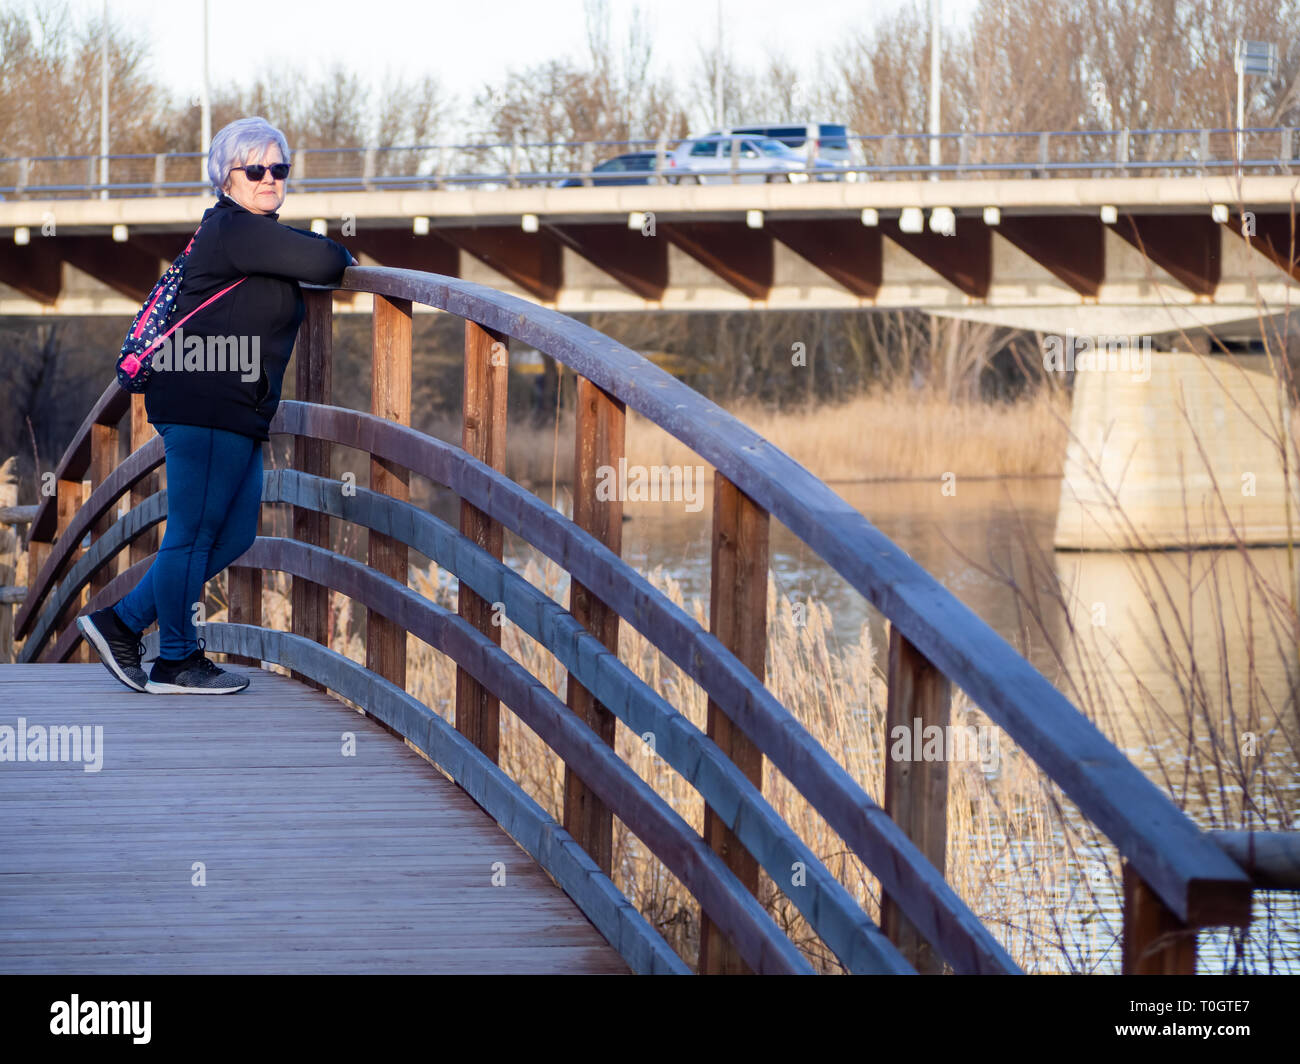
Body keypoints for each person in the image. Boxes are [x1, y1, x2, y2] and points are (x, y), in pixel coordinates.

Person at [77, 116, 355, 694]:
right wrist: (322, 247)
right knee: (192, 534)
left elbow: (317, 257)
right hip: (204, 400)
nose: (269, 179)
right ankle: (176, 659)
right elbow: (329, 261)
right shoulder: (234, 230)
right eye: (254, 169)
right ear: (225, 179)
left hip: (236, 408)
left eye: (279, 168)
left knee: (232, 536)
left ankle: (121, 623)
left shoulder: (255, 235)